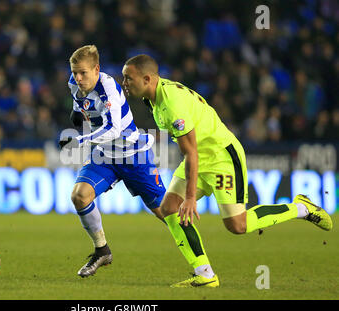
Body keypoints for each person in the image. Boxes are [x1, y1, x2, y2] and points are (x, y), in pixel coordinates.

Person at [121, 54, 333, 288]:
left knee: (238, 225)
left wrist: (191, 198)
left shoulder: (171, 105)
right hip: (200, 155)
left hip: (221, 156)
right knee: (169, 207)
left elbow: (190, 153)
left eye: (128, 78)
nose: (125, 83)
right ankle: (205, 274)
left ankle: (301, 208)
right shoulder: (153, 97)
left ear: (147, 79)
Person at [59, 45, 166, 278]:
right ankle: (102, 250)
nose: (78, 78)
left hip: (133, 154)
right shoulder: (73, 84)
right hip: (105, 155)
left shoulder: (107, 88)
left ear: (96, 69)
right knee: (79, 195)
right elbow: (81, 108)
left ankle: (199, 259)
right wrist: (78, 114)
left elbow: (113, 129)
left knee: (165, 212)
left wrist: (81, 140)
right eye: (75, 72)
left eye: (83, 73)